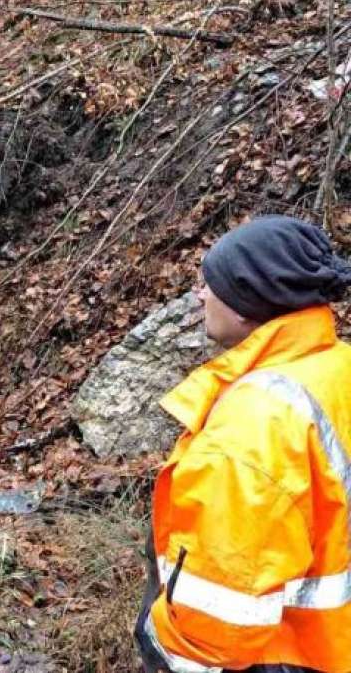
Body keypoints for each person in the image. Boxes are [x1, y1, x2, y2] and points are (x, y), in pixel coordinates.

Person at [134, 215, 351, 673]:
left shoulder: (252, 425)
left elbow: (216, 630)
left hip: (286, 656)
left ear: (245, 303)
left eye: (209, 283)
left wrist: (155, 638)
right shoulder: (337, 365)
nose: (200, 294)